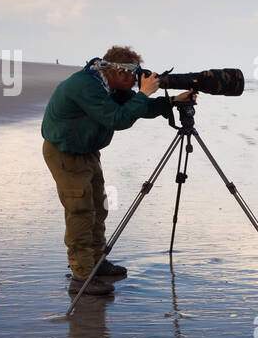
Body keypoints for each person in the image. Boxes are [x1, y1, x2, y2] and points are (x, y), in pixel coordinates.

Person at [41, 46, 190, 295]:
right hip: (65, 153)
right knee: (80, 211)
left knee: (98, 209)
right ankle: (82, 276)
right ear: (119, 72)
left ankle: (96, 263)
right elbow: (118, 119)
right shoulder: (85, 86)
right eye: (134, 76)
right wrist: (143, 93)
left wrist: (172, 102)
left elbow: (135, 108)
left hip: (85, 150)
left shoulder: (106, 83)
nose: (136, 81)